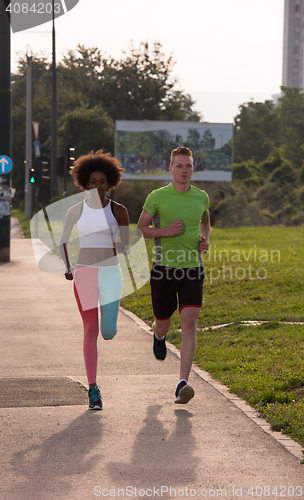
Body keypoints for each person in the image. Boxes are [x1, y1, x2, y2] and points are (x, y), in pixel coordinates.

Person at [137, 147, 210, 404]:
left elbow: (205, 221)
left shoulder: (201, 197)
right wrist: (166, 232)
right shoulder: (157, 197)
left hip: (192, 268)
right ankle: (159, 335)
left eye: (188, 166)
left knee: (189, 323)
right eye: (179, 166)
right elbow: (141, 229)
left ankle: (182, 384)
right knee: (163, 320)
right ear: (171, 169)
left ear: (193, 168)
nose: (184, 170)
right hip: (164, 269)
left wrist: (205, 240)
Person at [59, 150, 130, 410]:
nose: (98, 186)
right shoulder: (75, 211)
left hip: (111, 273)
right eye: (93, 182)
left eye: (102, 182)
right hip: (85, 273)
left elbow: (125, 244)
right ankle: (93, 389)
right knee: (90, 330)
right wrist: (68, 267)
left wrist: (122, 246)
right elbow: (64, 241)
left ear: (109, 183)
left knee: (107, 332)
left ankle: (111, 326)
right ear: (85, 184)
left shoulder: (119, 211)